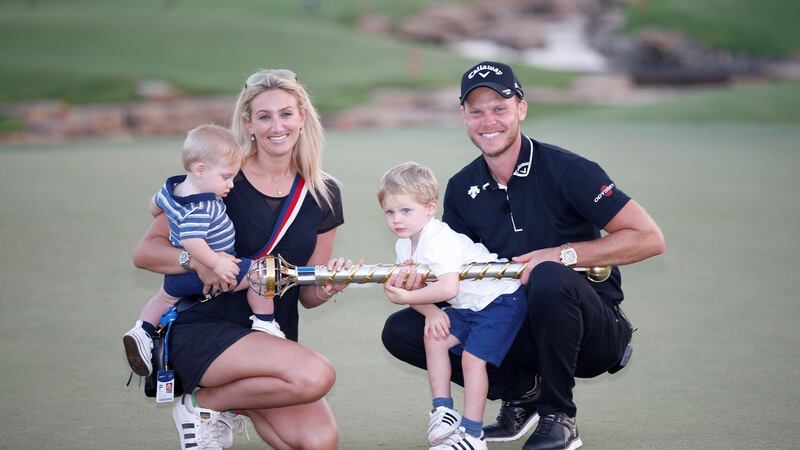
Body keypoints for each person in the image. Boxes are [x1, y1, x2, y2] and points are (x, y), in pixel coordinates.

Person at [381, 61, 666, 450]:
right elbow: (458, 274)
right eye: (477, 110)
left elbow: (649, 238)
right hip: (515, 320)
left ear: (521, 109)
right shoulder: (463, 188)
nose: (488, 121)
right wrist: (423, 284)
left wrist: (562, 254)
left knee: (548, 275)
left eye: (499, 107)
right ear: (464, 115)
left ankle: (558, 416)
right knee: (404, 331)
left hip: (592, 331)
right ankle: (525, 393)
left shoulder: (569, 169)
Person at [132, 68, 347, 450]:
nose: (276, 126)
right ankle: (202, 405)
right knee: (316, 376)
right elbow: (145, 253)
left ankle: (225, 402)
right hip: (204, 325)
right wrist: (198, 260)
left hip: (270, 338)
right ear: (248, 124)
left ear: (302, 118)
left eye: (286, 114)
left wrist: (331, 286)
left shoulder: (324, 193)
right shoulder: (219, 178)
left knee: (319, 442)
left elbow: (307, 296)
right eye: (264, 116)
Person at [378, 162, 527, 450]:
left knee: (472, 361)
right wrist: (431, 311)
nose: (397, 219)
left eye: (406, 210)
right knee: (434, 337)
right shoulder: (404, 245)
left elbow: (448, 288)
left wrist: (408, 299)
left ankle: (473, 435)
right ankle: (443, 410)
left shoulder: (438, 240)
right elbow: (419, 290)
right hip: (467, 306)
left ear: (431, 207)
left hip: (499, 300)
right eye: (390, 211)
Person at [123, 124, 284, 378]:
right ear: (200, 170)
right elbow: (191, 240)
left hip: (178, 275)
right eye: (226, 177)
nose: (231, 184)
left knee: (164, 299)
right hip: (206, 268)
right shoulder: (203, 206)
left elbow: (154, 205)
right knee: (260, 273)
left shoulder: (171, 189)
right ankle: (265, 323)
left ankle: (141, 331)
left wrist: (163, 212)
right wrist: (214, 263)